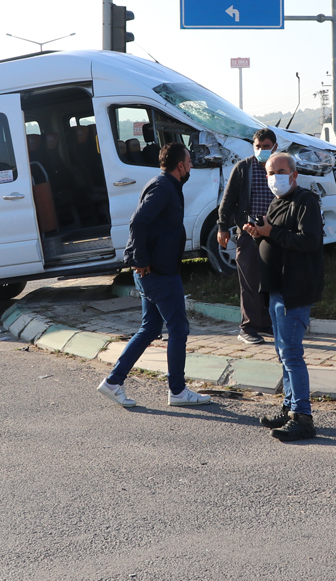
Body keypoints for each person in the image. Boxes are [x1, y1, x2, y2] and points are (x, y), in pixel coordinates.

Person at [97, 142, 212, 409]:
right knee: (179, 327)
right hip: (159, 273)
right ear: (180, 166)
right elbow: (138, 221)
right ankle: (178, 390)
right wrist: (140, 259)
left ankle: (113, 382)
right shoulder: (162, 187)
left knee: (150, 328)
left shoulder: (164, 184)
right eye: (189, 162)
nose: (191, 166)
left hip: (154, 271)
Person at [245, 152, 324, 441]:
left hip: (294, 290)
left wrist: (272, 232)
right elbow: (276, 236)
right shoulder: (277, 202)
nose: (274, 177)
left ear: (293, 174)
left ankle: (303, 417)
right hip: (276, 289)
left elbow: (309, 240)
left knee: (291, 354)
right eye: (269, 172)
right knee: (283, 353)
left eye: (279, 171)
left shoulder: (305, 201)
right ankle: (290, 408)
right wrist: (260, 233)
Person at [216, 128, 278, 345]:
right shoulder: (244, 168)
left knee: (270, 281)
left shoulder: (280, 168)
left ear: (275, 147)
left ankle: (265, 323)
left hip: (273, 234)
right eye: (258, 146)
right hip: (248, 233)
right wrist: (223, 227)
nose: (261, 150)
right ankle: (248, 328)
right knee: (250, 282)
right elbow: (228, 199)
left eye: (266, 146)